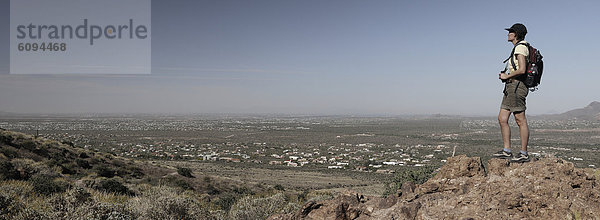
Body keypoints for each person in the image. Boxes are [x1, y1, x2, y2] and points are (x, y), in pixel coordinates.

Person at [492, 23, 530, 163]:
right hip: (510, 87)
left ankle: (523, 153)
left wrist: (506, 76)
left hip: (516, 86)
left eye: (511, 31)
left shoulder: (520, 47)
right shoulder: (517, 47)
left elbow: (522, 70)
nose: (508, 33)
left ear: (517, 34)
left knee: (520, 120)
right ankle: (507, 150)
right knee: (502, 118)